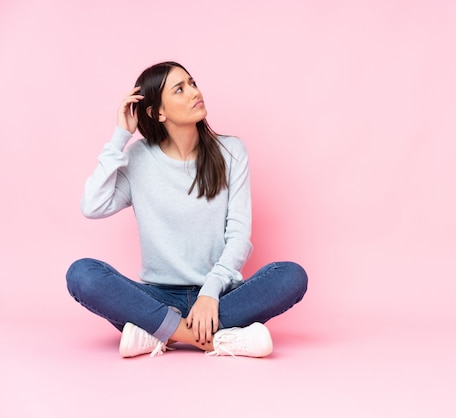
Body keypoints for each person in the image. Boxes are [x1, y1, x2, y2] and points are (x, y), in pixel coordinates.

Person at [66, 61, 308, 359]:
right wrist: (120, 136)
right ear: (158, 112)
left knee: (290, 276)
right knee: (83, 274)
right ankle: (212, 339)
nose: (194, 92)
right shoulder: (139, 157)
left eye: (192, 83)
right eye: (180, 89)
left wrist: (209, 292)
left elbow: (238, 234)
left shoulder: (231, 151)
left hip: (220, 294)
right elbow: (93, 206)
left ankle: (156, 333)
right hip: (157, 297)